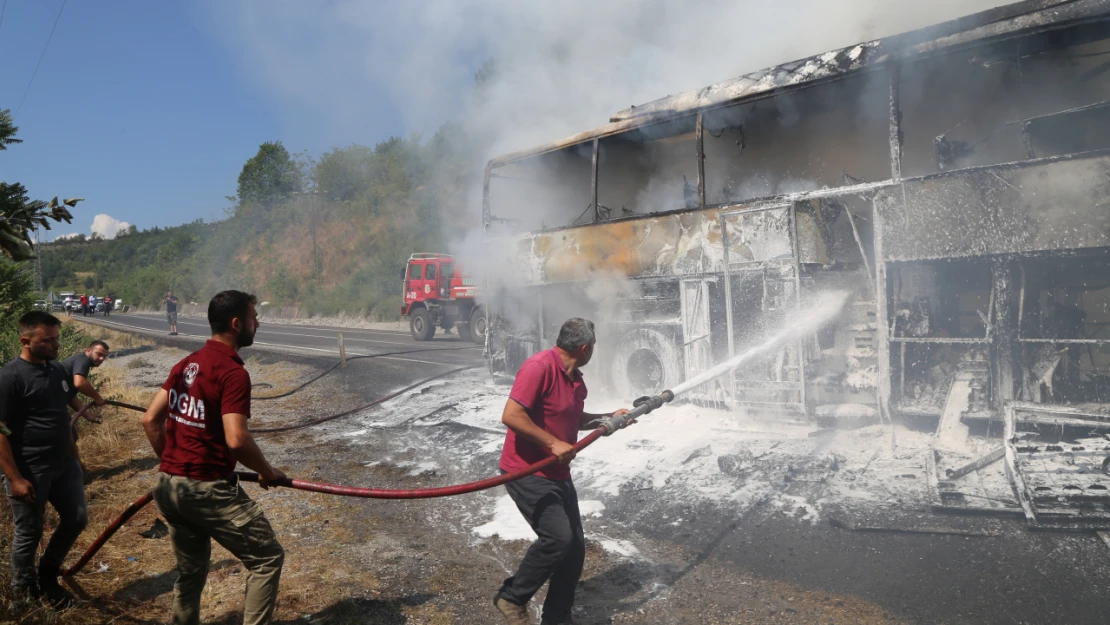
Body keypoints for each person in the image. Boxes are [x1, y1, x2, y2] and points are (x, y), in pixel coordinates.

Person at [142, 290, 286, 625]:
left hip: (168, 488)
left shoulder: (186, 363)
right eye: (253, 317)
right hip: (205, 489)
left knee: (190, 573)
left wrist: (175, 467)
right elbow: (237, 439)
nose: (258, 323)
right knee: (267, 558)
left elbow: (150, 419)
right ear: (237, 324)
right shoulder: (232, 372)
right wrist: (266, 471)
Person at [493, 318, 630, 625]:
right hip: (526, 470)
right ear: (585, 348)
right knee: (557, 539)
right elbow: (512, 415)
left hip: (557, 472)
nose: (593, 351)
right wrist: (552, 443)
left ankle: (557, 618)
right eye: (593, 347)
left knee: (574, 549)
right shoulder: (538, 367)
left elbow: (574, 417)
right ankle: (511, 598)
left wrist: (610, 418)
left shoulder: (576, 380)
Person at [0, 311, 88, 606]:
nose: (56, 346)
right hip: (30, 468)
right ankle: (25, 595)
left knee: (76, 518)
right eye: (47, 340)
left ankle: (48, 577)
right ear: (25, 340)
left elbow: (62, 417)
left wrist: (76, 459)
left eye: (56, 339)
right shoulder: (10, 377)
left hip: (64, 465)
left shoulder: (57, 370)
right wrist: (15, 478)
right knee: (30, 531)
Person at [62, 340, 110, 416]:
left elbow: (70, 396)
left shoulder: (80, 360)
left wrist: (87, 415)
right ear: (88, 350)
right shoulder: (83, 360)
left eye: (104, 356)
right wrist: (97, 397)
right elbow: (80, 383)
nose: (102, 359)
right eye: (99, 354)